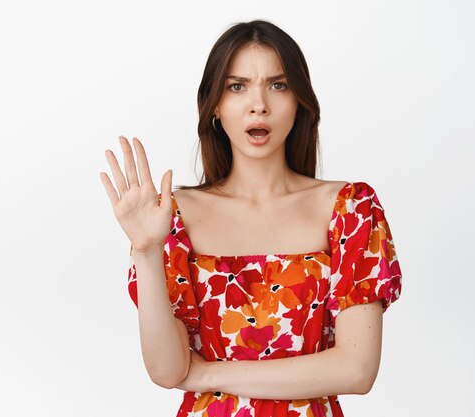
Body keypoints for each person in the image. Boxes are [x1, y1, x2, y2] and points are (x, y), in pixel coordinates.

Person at [100, 19, 402, 417]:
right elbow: (168, 369)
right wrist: (146, 249)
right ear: (215, 107)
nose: (258, 104)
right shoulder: (172, 217)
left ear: (299, 102)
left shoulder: (351, 208)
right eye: (237, 86)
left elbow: (357, 369)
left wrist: (209, 375)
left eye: (278, 85)